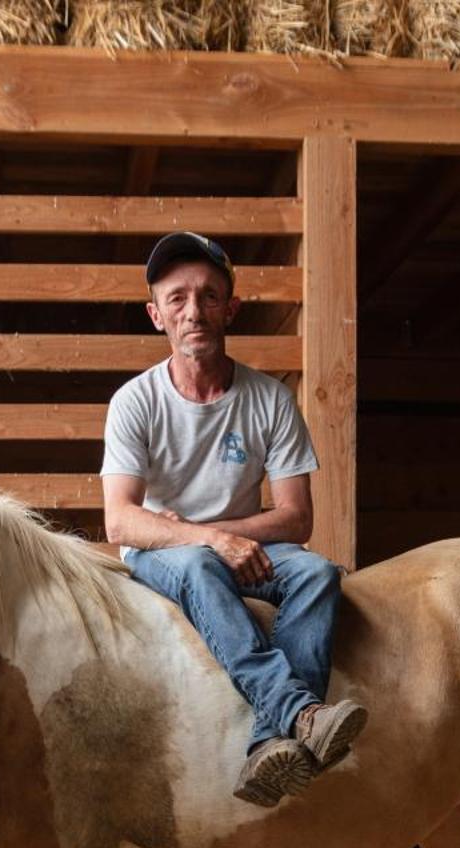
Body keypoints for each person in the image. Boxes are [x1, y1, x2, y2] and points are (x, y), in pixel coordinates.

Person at [101, 231, 367, 807]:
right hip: (165, 553)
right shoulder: (135, 402)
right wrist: (207, 538)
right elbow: (120, 523)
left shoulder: (270, 399)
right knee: (198, 564)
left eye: (208, 295)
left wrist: (224, 536)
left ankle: (268, 746)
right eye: (176, 299)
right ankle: (301, 714)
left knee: (318, 574)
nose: (192, 311)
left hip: (238, 544)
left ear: (231, 308)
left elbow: (297, 519)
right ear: (156, 315)